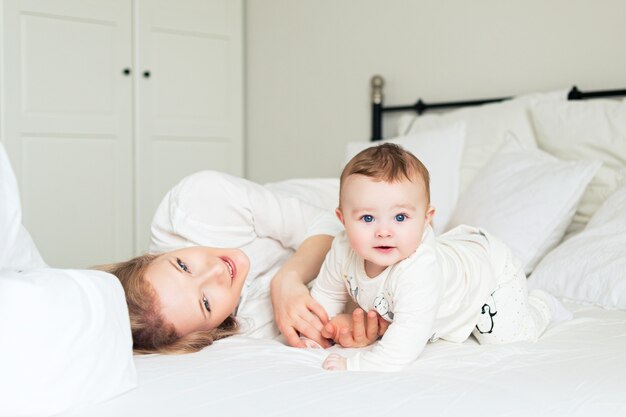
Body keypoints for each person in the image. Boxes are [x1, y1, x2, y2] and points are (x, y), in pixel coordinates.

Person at [310, 143, 571, 372]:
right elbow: (327, 296)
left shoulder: (418, 269)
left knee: (507, 337)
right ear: (342, 220)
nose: (384, 232)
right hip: (453, 257)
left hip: (488, 273)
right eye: (367, 218)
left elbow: (406, 341)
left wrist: (357, 364)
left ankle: (542, 305)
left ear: (427, 219)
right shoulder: (343, 248)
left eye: (400, 217)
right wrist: (315, 334)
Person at [102, 170, 386, 354]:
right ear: (208, 333)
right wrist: (350, 326)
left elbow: (330, 225)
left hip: (351, 194)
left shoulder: (198, 202)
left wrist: (287, 280)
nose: (216, 271)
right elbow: (341, 300)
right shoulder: (251, 331)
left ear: (150, 258)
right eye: (206, 302)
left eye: (183, 266)